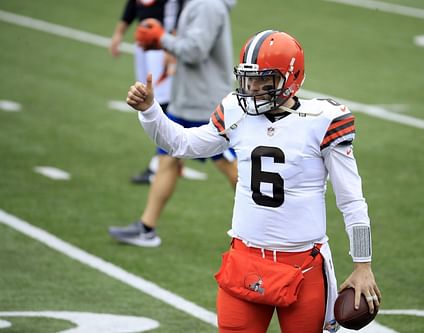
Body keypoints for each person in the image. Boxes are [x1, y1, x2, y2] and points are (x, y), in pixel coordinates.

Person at [125, 29, 381, 332]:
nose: (254, 88)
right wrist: (151, 112)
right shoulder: (236, 110)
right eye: (249, 78)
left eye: (265, 80)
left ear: (291, 78)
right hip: (245, 259)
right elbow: (183, 144)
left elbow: (351, 199)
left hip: (304, 263)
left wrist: (362, 264)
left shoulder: (324, 120)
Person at [108, 0, 238, 247]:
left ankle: (270, 223)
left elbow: (195, 50)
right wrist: (164, 38)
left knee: (230, 166)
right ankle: (146, 228)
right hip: (188, 98)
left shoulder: (208, 5)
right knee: (167, 158)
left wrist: (161, 38)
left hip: (204, 102)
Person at [109, 0, 181, 185]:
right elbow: (135, 3)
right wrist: (119, 32)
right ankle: (171, 160)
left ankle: (161, 162)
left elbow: (180, 7)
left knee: (162, 101)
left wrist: (171, 43)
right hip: (145, 38)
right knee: (147, 96)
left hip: (162, 39)